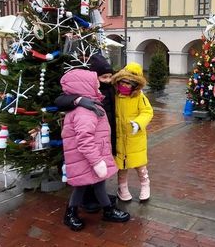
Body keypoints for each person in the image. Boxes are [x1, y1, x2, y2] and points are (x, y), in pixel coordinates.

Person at [59, 68, 130, 231]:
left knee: (98, 184)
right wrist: (97, 162)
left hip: (91, 156)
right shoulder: (85, 112)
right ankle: (70, 213)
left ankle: (107, 210)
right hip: (88, 158)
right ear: (85, 88)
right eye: (95, 86)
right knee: (81, 186)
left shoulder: (90, 106)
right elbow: (85, 140)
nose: (98, 90)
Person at [55, 54, 117, 213]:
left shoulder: (104, 92)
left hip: (102, 139)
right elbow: (84, 138)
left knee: (97, 181)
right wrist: (78, 100)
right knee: (85, 183)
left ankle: (104, 208)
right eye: (103, 78)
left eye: (110, 77)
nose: (107, 81)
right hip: (91, 148)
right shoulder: (84, 108)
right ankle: (81, 208)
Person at [111, 63, 154, 202]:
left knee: (140, 164)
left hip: (135, 138)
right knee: (121, 166)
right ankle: (122, 187)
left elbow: (147, 111)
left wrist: (138, 123)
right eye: (123, 82)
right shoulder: (115, 95)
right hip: (119, 138)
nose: (125, 85)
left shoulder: (139, 97)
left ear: (135, 84)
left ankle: (145, 184)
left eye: (129, 83)